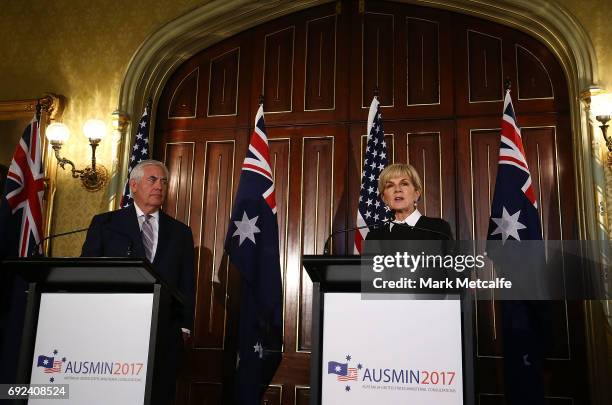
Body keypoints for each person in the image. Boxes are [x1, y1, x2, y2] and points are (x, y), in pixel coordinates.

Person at [81, 159, 195, 404]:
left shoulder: (181, 232)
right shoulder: (106, 224)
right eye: (152, 180)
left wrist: (184, 326)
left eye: (163, 181)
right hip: (113, 328)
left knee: (157, 394)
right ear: (133, 185)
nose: (159, 186)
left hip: (163, 331)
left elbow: (187, 282)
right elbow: (88, 269)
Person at [366, 163, 453, 240]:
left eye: (404, 184)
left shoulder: (438, 229)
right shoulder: (374, 237)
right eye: (390, 185)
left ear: (417, 193)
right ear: (384, 198)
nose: (397, 189)